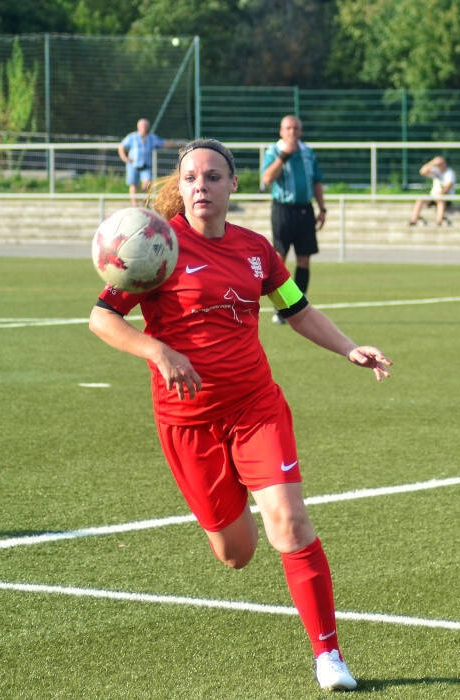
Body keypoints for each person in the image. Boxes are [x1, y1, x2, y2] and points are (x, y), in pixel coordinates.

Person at [89, 138, 392, 692]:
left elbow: (297, 311)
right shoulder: (155, 245)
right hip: (187, 423)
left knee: (290, 523)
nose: (200, 186)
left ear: (233, 185)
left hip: (256, 408)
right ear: (180, 188)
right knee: (237, 553)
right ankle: (236, 501)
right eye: (190, 178)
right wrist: (157, 351)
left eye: (212, 176)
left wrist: (349, 347)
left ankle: (328, 655)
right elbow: (101, 317)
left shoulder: (257, 250)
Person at [262, 115, 327, 324]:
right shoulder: (274, 151)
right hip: (283, 209)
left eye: (296, 128)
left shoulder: (308, 152)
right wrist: (284, 156)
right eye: (288, 128)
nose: (292, 132)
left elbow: (317, 181)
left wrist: (322, 208)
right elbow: (267, 178)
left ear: (301, 131)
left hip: (305, 210)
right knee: (279, 259)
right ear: (281, 131)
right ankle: (280, 307)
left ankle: (300, 305)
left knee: (304, 259)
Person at [118, 118, 185, 206]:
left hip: (146, 165)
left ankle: (144, 202)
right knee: (133, 184)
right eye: (142, 126)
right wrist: (124, 158)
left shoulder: (152, 138)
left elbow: (164, 143)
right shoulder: (132, 137)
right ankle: (134, 204)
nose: (144, 128)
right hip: (133, 165)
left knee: (147, 183)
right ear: (138, 127)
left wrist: (178, 144)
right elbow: (121, 146)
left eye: (145, 126)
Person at [409, 156, 456, 226]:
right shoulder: (435, 170)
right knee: (420, 199)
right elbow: (422, 172)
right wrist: (432, 163)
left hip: (445, 197)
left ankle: (439, 222)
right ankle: (413, 220)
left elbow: (448, 186)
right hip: (434, 196)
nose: (439, 167)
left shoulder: (449, 173)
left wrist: (441, 194)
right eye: (437, 165)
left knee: (440, 200)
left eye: (440, 164)